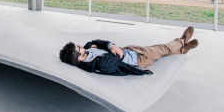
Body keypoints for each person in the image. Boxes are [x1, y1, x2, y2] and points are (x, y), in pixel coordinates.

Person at [59, 27, 198, 76]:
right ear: (80, 58)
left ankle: (182, 50)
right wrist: (110, 49)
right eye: (78, 48)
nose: (80, 45)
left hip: (130, 50)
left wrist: (111, 46)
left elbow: (96, 41)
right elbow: (112, 59)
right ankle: (181, 40)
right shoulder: (98, 65)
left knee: (159, 49)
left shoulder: (88, 49)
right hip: (138, 60)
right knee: (163, 49)